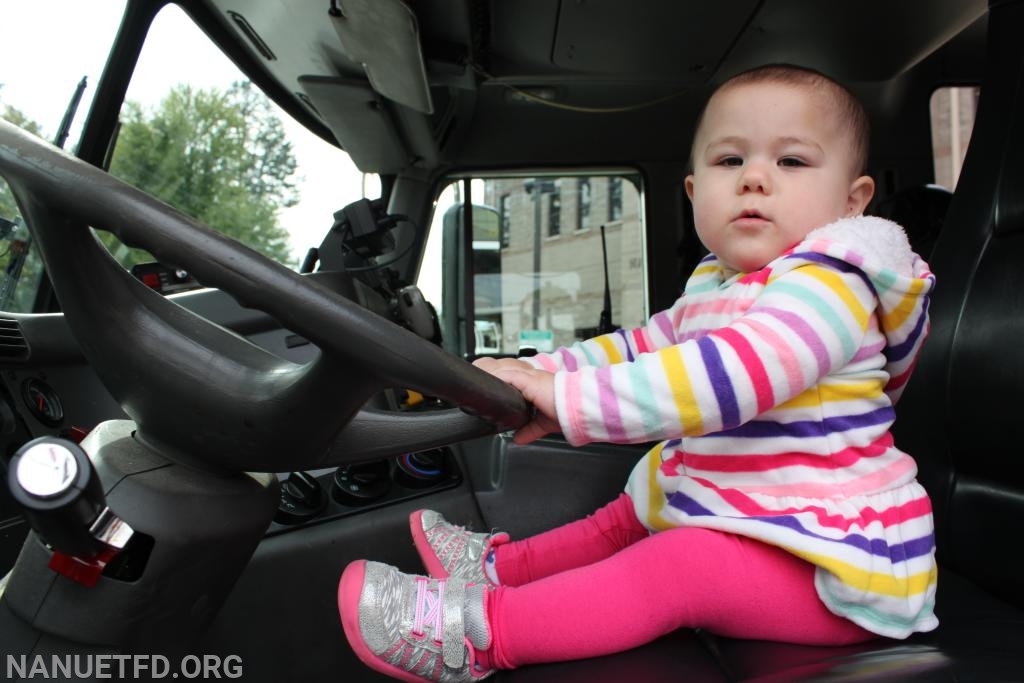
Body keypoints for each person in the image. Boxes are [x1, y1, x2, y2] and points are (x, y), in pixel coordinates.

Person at [337, 63, 938, 682]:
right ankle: (493, 572)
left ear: (851, 200)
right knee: (634, 507)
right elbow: (634, 347)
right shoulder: (716, 286)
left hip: (835, 565)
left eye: (792, 162)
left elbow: (731, 376)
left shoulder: (831, 288)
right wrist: (533, 372)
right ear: (692, 190)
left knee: (683, 564)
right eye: (730, 161)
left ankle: (479, 634)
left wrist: (567, 401)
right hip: (761, 516)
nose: (755, 178)